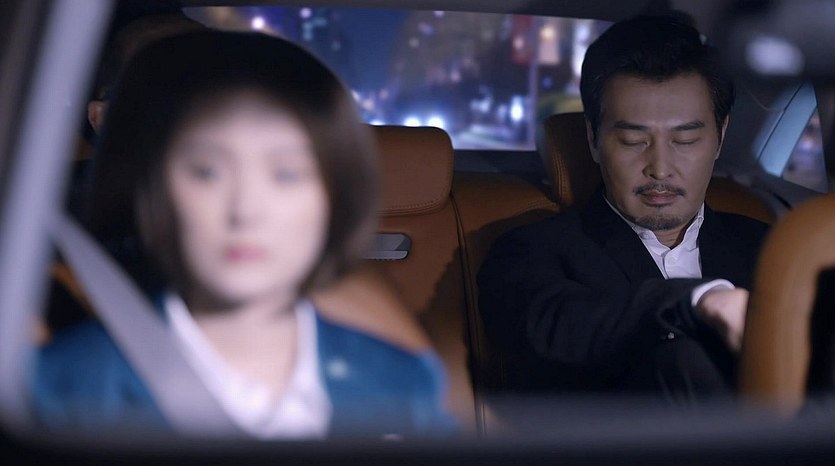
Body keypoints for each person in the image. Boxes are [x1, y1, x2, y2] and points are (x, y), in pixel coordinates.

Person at [33, 30, 453, 439]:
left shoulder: (402, 380)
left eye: (286, 174)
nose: (246, 210)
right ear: (155, 188)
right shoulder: (64, 388)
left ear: (338, 195)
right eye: (207, 172)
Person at [477, 14, 769, 404]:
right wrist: (699, 301)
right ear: (593, 139)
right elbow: (555, 327)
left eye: (685, 140)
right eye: (633, 140)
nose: (660, 168)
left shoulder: (771, 247)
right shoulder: (531, 251)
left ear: (720, 137)